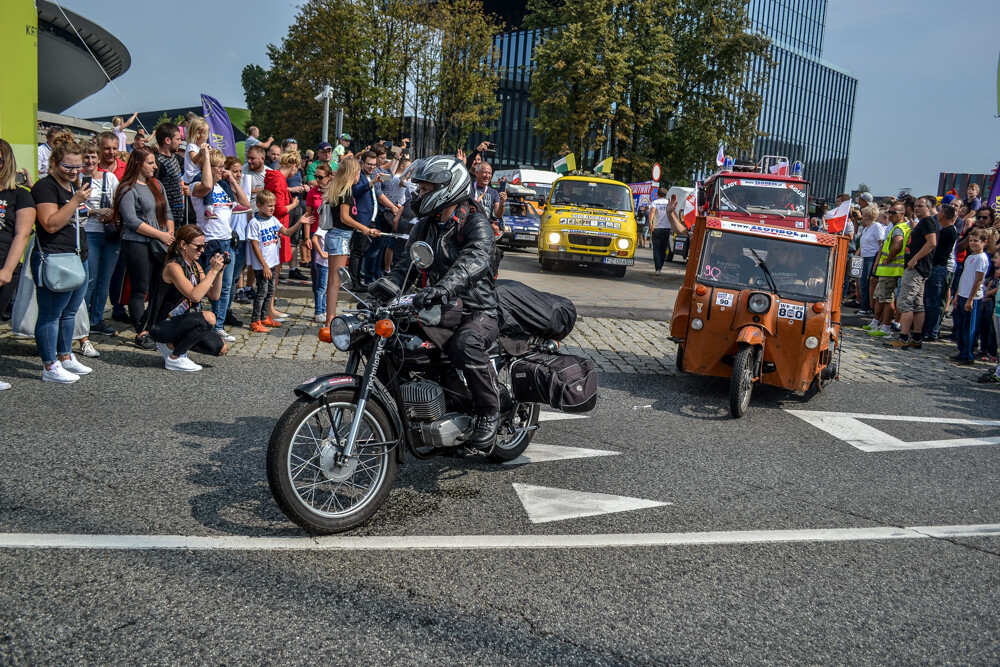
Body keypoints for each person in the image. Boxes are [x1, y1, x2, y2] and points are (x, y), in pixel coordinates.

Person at [378, 155, 501, 450]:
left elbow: (474, 260)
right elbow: (406, 264)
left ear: (447, 188)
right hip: (439, 306)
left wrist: (445, 287)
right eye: (419, 189)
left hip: (477, 308)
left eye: (424, 189)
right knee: (389, 345)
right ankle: (416, 409)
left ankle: (489, 412)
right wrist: (385, 288)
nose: (418, 195)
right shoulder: (425, 226)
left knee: (465, 345)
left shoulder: (475, 222)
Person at [29, 132, 94, 383]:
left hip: (78, 255)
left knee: (70, 311)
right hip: (55, 257)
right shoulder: (45, 187)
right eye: (68, 166)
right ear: (55, 162)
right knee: (50, 314)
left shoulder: (74, 185)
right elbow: (50, 224)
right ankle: (49, 365)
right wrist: (76, 200)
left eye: (78, 166)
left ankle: (65, 356)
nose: (74, 171)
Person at [113, 146, 176, 350]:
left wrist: (170, 234)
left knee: (159, 287)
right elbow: (131, 220)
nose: (154, 166)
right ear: (138, 164)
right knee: (140, 289)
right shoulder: (127, 189)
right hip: (137, 243)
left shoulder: (156, 184)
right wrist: (161, 234)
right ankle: (141, 331)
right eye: (150, 163)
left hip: (160, 242)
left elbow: (168, 212)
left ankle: (155, 324)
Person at [146, 224, 228, 371]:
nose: (202, 250)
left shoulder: (195, 266)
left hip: (183, 321)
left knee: (220, 348)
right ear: (183, 244)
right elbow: (195, 296)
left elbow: (214, 295)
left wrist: (220, 272)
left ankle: (170, 344)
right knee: (209, 317)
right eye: (198, 246)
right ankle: (176, 357)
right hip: (162, 323)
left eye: (204, 246)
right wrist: (213, 272)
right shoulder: (173, 266)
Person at [191, 148, 251, 342]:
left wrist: (232, 180)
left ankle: (218, 325)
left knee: (225, 286)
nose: (222, 170)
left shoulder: (224, 187)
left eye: (223, 167)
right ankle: (200, 324)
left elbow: (245, 203)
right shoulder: (198, 184)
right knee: (204, 284)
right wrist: (207, 160)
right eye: (219, 167)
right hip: (208, 241)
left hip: (225, 240)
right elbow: (206, 187)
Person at [317, 158, 381, 331]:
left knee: (334, 280)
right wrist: (365, 229)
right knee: (335, 281)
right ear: (352, 172)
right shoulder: (345, 191)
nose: (359, 176)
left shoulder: (340, 189)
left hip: (338, 235)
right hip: (340, 236)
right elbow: (345, 218)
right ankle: (330, 319)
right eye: (358, 172)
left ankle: (330, 317)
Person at [246, 191, 311, 332]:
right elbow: (255, 246)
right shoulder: (254, 223)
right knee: (262, 292)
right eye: (269, 206)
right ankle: (255, 320)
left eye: (274, 206)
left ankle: (264, 317)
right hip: (262, 265)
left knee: (270, 291)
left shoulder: (273, 220)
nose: (272, 209)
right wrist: (264, 266)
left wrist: (299, 222)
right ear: (259, 206)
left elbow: (286, 232)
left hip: (273, 262)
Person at [0, 139, 36, 390]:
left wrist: (7, 270)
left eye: (0, 158)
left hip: (4, 265)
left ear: (8, 161)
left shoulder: (20, 196)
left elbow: (22, 235)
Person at [80, 140, 120, 339]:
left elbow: (119, 201)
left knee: (104, 280)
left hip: (110, 233)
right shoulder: (77, 178)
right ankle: (83, 319)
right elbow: (74, 207)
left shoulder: (110, 178)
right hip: (89, 232)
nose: (89, 161)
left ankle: (96, 319)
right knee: (89, 279)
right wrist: (95, 211)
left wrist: (112, 213)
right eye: (86, 157)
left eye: (92, 157)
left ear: (98, 159)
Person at [887, 195, 937, 348]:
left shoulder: (928, 222)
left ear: (928, 208)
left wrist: (914, 259)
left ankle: (903, 338)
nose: (917, 208)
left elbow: (932, 242)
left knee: (905, 303)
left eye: (921, 206)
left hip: (915, 268)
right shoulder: (924, 223)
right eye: (916, 206)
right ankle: (916, 338)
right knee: (917, 304)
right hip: (918, 269)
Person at [263, 150, 302, 320]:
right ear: (293, 165)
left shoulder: (277, 177)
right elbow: (278, 209)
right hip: (277, 230)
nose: (296, 172)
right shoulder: (279, 179)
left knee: (275, 270)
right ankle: (268, 309)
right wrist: (293, 204)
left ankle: (269, 307)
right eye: (297, 168)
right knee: (274, 271)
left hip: (277, 229)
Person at [866, 203, 910, 338]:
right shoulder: (897, 227)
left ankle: (885, 327)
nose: (890, 215)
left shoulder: (899, 228)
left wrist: (888, 259)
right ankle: (877, 323)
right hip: (887, 269)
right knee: (880, 297)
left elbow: (898, 244)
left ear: (902, 214)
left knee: (887, 299)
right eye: (889, 212)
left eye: (894, 213)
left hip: (892, 269)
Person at [951, 229, 989, 365]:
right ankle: (961, 351)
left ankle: (968, 354)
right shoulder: (970, 257)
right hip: (962, 294)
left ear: (984, 243)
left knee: (969, 327)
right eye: (971, 240)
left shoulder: (982, 259)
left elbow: (978, 280)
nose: (972, 243)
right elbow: (964, 277)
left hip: (972, 298)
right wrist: (957, 294)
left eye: (976, 241)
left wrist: (970, 299)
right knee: (961, 326)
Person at [921, 204, 959, 341]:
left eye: (939, 212)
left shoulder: (947, 231)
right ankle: (928, 329)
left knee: (933, 301)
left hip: (939, 268)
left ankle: (932, 331)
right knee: (929, 300)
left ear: (942, 215)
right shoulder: (945, 230)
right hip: (937, 267)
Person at [305, 162, 334, 322]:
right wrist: (307, 237)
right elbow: (308, 215)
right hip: (317, 233)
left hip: (330, 234)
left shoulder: (334, 192)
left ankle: (325, 307)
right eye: (316, 177)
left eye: (320, 177)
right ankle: (319, 307)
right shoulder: (312, 192)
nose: (317, 180)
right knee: (318, 272)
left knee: (329, 274)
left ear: (329, 178)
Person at [854, 203, 885, 317]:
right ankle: (865, 306)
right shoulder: (866, 229)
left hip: (872, 257)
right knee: (862, 283)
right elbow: (863, 245)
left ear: (867, 216)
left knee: (870, 283)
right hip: (863, 257)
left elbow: (881, 243)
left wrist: (878, 260)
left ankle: (871, 308)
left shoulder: (876, 227)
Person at [154, 122, 185, 224]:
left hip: (179, 213)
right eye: (178, 139)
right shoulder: (158, 162)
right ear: (167, 140)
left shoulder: (176, 158)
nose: (180, 142)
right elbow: (155, 189)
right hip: (166, 216)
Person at [648, 191, 672, 275]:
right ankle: (660, 267)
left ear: (658, 195)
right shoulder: (668, 203)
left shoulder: (655, 202)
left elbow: (652, 212)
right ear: (665, 195)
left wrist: (650, 223)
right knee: (663, 249)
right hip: (666, 228)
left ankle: (657, 268)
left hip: (657, 228)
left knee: (656, 249)